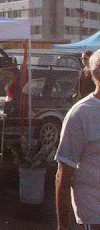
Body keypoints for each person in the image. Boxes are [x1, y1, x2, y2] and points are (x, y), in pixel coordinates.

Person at [55, 49, 100, 228]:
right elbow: (63, 175)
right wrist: (63, 226)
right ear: (97, 73)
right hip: (94, 214)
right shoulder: (81, 113)